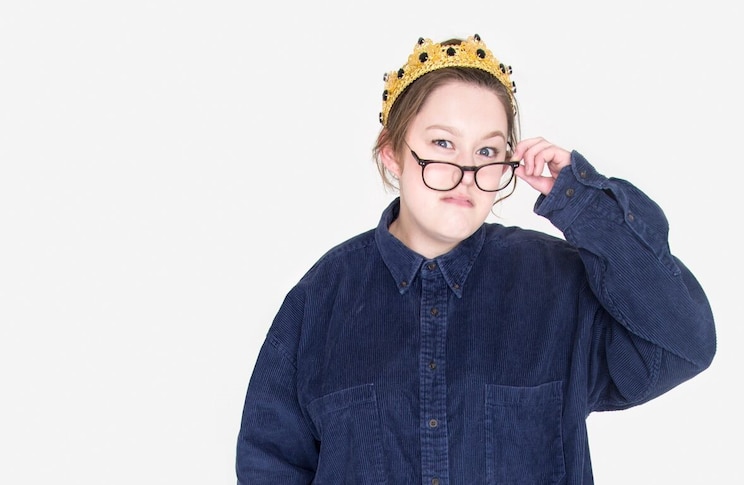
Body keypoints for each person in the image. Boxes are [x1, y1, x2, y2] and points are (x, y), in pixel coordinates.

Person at [235, 33, 716, 484]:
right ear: (392, 154)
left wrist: (583, 202)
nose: (467, 173)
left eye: (487, 150)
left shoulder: (558, 285)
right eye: (443, 144)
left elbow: (680, 344)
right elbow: (270, 464)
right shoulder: (321, 300)